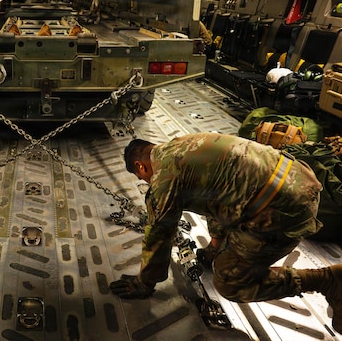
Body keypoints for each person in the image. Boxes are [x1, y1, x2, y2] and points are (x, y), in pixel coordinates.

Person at [109, 133, 342, 334]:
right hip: (300, 179)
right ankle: (222, 250)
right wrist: (214, 247)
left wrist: (144, 282)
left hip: (284, 210)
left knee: (229, 282)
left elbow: (158, 235)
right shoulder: (183, 145)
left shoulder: (164, 178)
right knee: (223, 234)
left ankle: (327, 280)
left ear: (141, 166)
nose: (146, 181)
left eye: (142, 177)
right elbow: (216, 196)